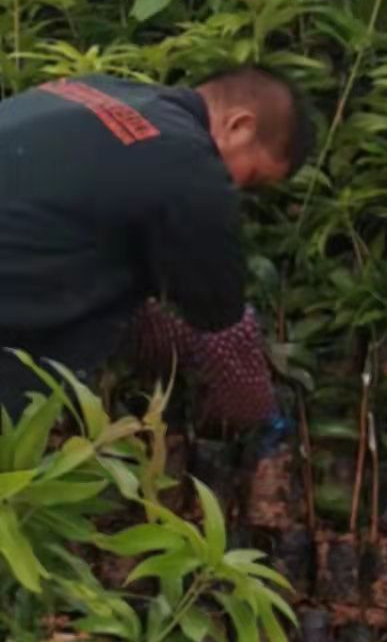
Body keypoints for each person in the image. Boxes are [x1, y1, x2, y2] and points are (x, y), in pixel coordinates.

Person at [0, 67, 312, 425]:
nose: (238, 191)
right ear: (239, 126)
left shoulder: (91, 86)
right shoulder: (193, 168)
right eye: (253, 178)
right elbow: (221, 320)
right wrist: (260, 417)